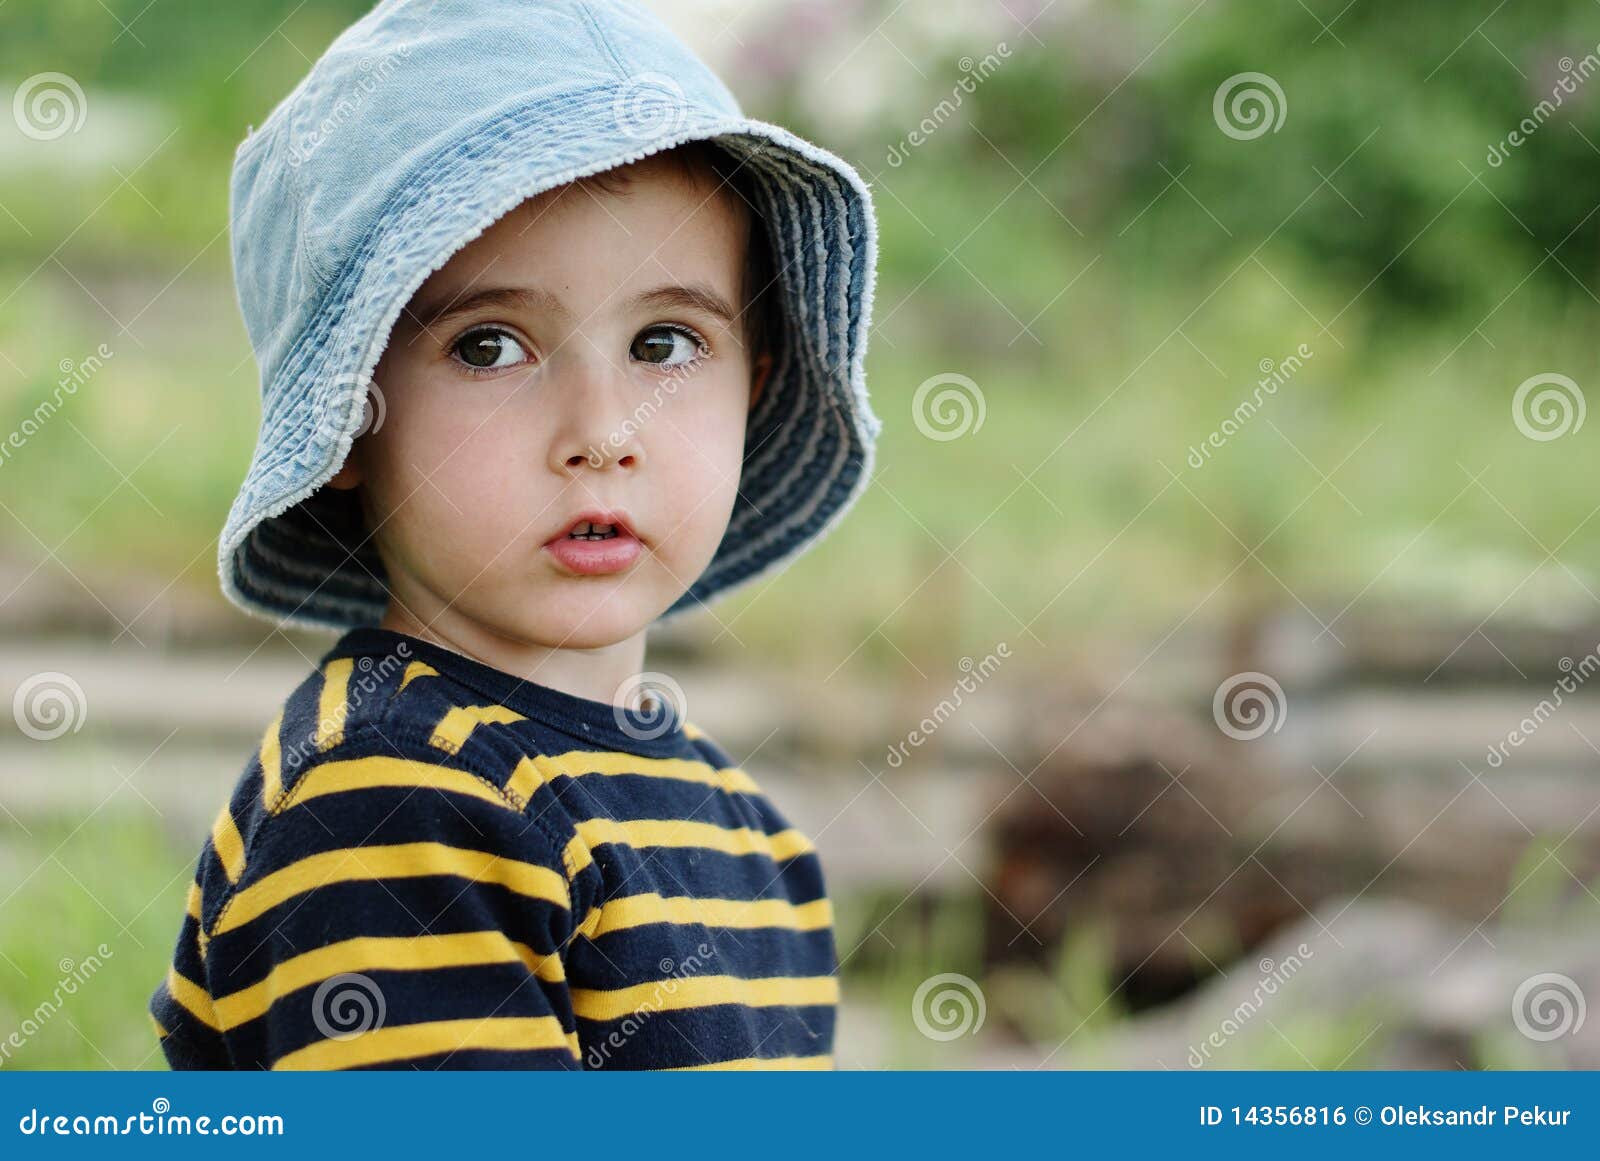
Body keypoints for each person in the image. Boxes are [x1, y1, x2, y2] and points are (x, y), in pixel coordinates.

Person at [147, 0, 880, 1070]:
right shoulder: (391, 800)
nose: (602, 434)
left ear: (751, 386)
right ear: (349, 417)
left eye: (664, 344)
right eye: (490, 347)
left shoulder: (748, 834)